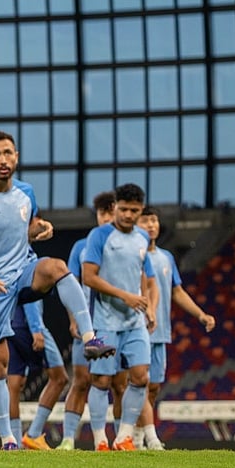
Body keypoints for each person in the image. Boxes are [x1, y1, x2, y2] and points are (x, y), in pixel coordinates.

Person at [0, 131, 113, 450]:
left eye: (8, 152)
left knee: (57, 267)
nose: (3, 159)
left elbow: (26, 226)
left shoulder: (27, 192)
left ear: (17, 156)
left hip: (24, 271)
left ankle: (91, 337)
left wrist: (39, 229)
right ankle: (9, 439)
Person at [82, 183, 157, 451]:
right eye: (123, 209)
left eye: (134, 211)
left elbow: (143, 274)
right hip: (105, 320)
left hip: (134, 322)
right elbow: (88, 277)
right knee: (101, 381)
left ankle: (124, 436)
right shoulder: (100, 236)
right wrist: (124, 295)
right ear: (116, 208)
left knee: (140, 377)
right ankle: (100, 439)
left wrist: (148, 306)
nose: (128, 215)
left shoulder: (141, 238)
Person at [136, 206, 216, 450]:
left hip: (160, 332)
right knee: (139, 383)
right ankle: (147, 438)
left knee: (153, 387)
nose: (151, 225)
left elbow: (177, 291)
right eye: (146, 221)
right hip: (136, 330)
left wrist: (201, 314)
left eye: (154, 220)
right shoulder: (133, 254)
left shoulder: (166, 258)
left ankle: (136, 436)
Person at [57, 190, 117, 450]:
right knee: (80, 380)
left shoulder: (125, 245)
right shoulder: (82, 248)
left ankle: (117, 438)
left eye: (111, 212)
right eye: (103, 213)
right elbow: (71, 287)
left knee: (117, 383)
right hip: (88, 327)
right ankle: (69, 438)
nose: (107, 218)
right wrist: (74, 321)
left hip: (117, 323)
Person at [6, 301, 68, 449]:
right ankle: (33, 434)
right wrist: (36, 329)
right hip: (30, 325)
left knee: (14, 384)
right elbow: (30, 292)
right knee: (60, 378)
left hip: (10, 323)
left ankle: (13, 443)